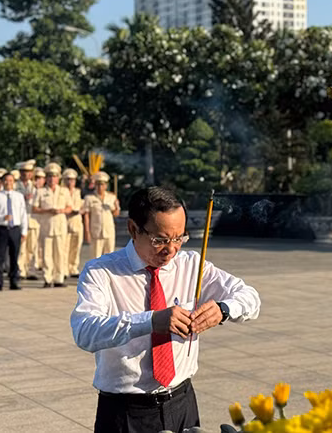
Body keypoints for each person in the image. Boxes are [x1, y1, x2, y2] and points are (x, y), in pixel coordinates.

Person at [71, 187, 261, 433]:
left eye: (179, 238)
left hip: (182, 403)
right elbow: (85, 332)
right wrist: (150, 321)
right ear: (133, 229)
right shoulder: (101, 272)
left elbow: (250, 297)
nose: (171, 249)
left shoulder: (191, 264)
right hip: (126, 411)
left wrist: (224, 309)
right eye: (160, 240)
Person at [32, 163, 71, 288]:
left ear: (58, 178)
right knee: (46, 254)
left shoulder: (64, 191)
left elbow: (70, 207)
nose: (52, 179)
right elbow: (34, 208)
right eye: (49, 176)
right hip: (46, 226)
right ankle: (47, 278)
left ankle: (59, 278)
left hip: (60, 226)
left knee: (60, 253)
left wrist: (61, 211)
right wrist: (47, 210)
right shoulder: (41, 191)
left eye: (54, 176)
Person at [0, 173, 28, 291]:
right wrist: (2, 217)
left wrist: (24, 230)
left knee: (14, 256)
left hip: (15, 229)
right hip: (1, 229)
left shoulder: (19, 196)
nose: (8, 183)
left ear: (14, 182)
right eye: (6, 180)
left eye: (10, 180)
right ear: (2, 182)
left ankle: (14, 281)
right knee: (0, 256)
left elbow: (23, 214)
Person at [83, 172, 120, 259]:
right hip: (96, 232)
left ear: (106, 186)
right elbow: (86, 216)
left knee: (110, 257)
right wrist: (87, 232)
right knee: (95, 257)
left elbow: (116, 214)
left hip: (109, 231)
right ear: (95, 185)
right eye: (98, 184)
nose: (100, 187)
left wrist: (115, 207)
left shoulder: (112, 197)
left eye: (102, 185)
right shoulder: (89, 198)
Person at [16, 161, 39, 280]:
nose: (26, 174)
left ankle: (30, 269)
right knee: (21, 248)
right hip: (20, 220)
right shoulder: (15, 186)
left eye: (28, 172)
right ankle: (21, 270)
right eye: (23, 172)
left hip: (33, 220)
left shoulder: (35, 186)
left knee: (32, 247)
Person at [63, 168, 84, 277]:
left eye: (72, 180)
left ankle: (73, 268)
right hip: (66, 221)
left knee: (76, 247)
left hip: (77, 221)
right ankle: (65, 269)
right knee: (65, 247)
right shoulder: (62, 191)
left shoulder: (78, 191)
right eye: (68, 179)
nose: (70, 182)